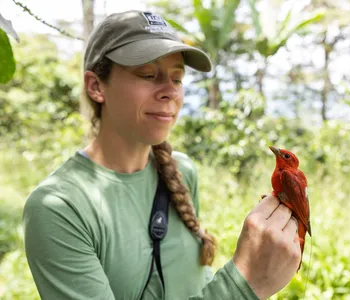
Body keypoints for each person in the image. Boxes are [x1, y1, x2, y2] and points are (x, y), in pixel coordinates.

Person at [23, 10, 301, 300]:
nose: (170, 91)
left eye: (177, 79)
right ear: (96, 86)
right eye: (147, 75)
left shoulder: (181, 171)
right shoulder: (58, 207)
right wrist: (245, 284)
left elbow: (194, 283)